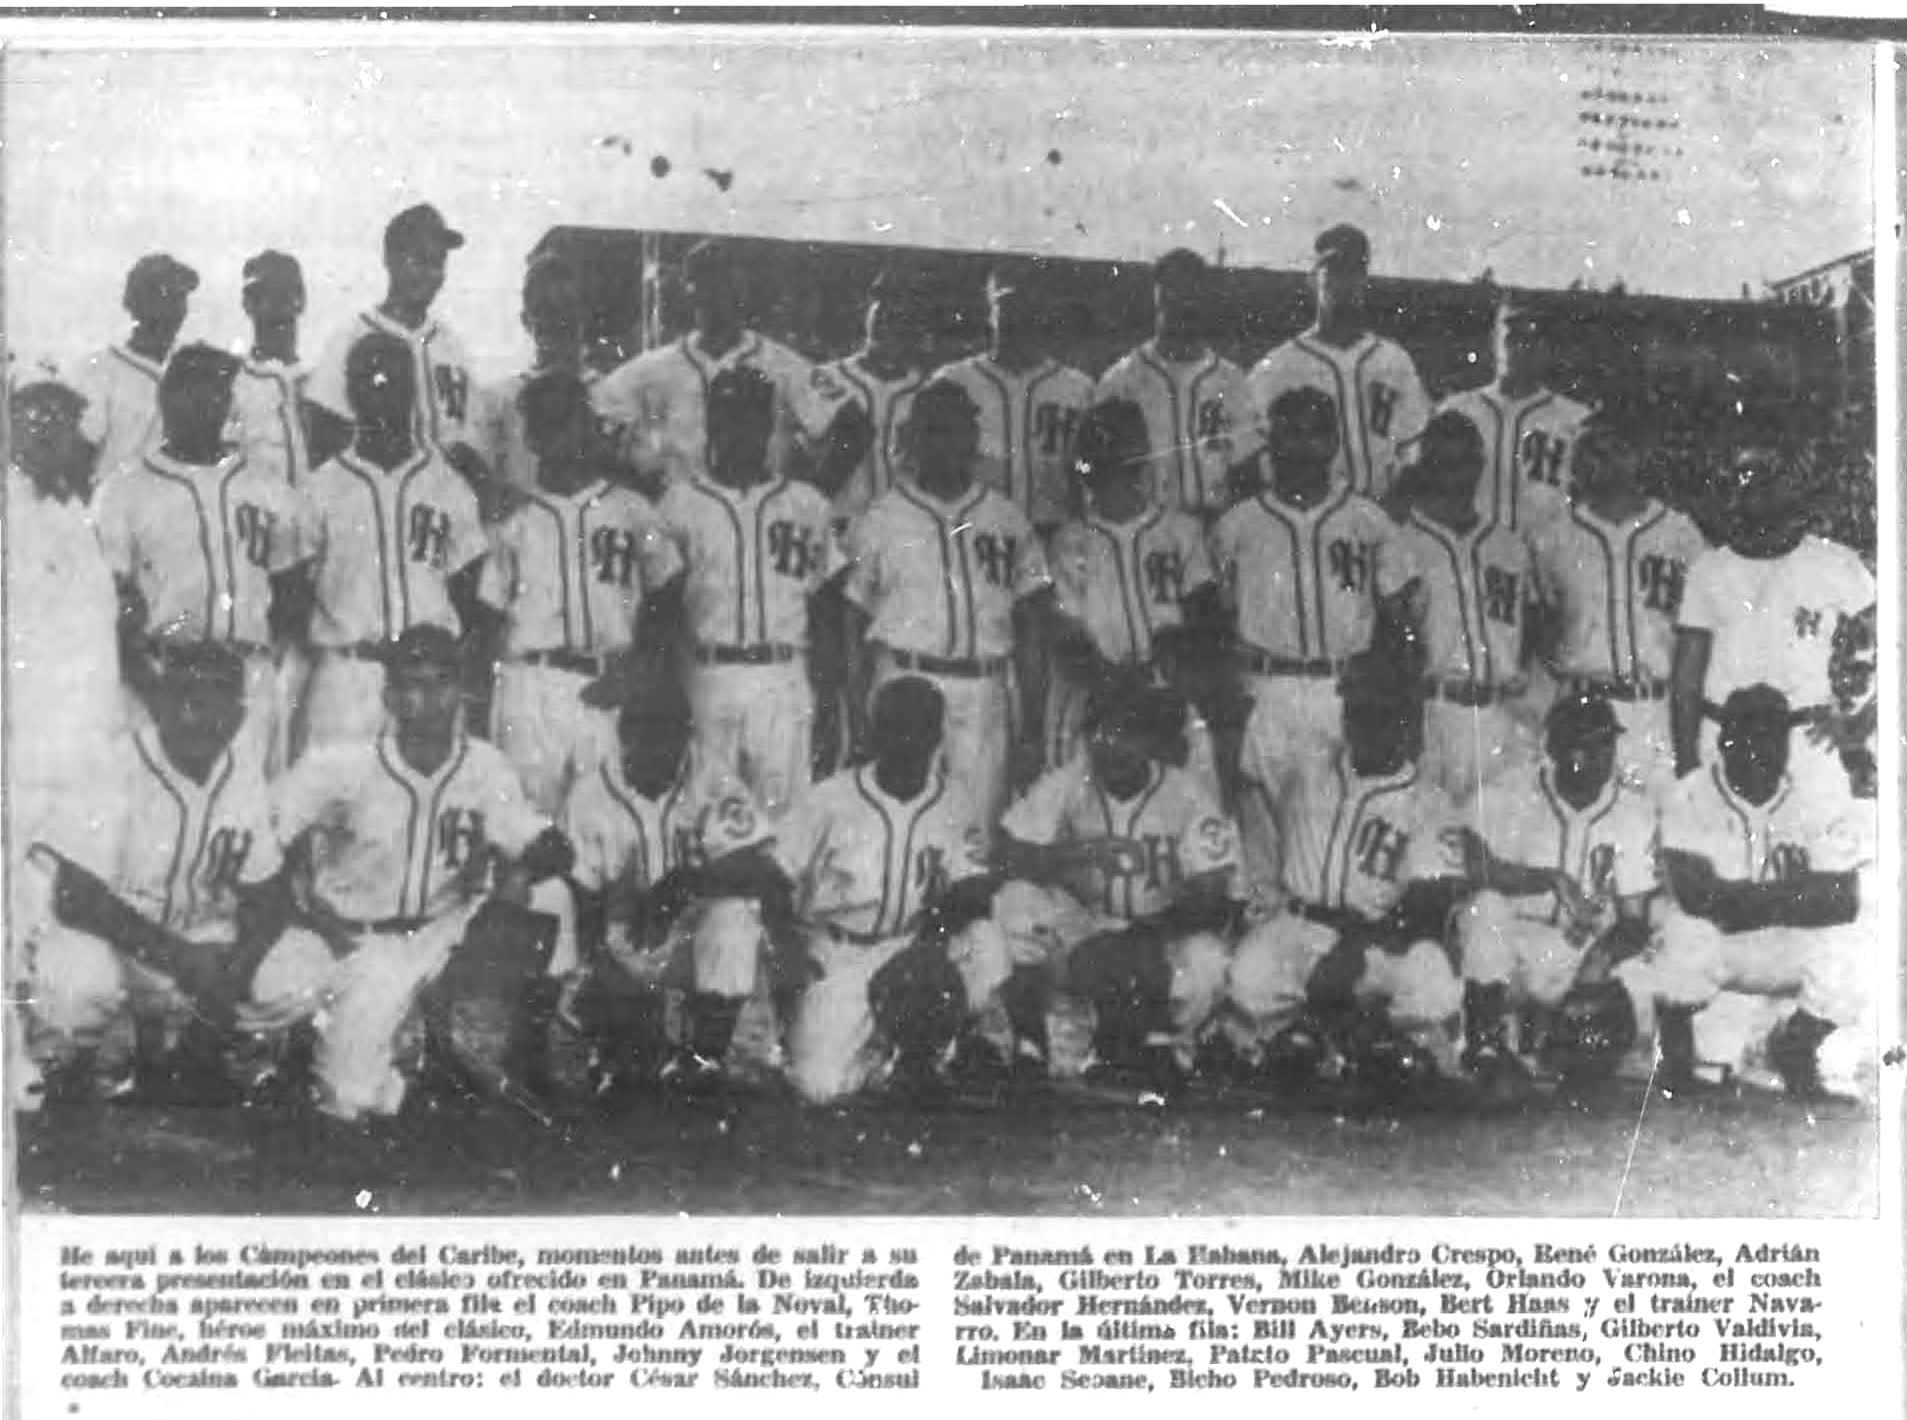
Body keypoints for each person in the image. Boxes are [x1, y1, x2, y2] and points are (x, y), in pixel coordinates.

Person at [271, 626, 577, 1122]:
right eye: (412, 685)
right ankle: (368, 1050)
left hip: (444, 929)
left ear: (461, 692)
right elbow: (269, 836)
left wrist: (519, 873)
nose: (428, 700)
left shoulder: (485, 765)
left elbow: (552, 846)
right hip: (365, 942)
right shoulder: (342, 763)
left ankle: (524, 1059)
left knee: (551, 895)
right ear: (389, 696)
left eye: (441, 684)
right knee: (351, 1102)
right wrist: (302, 904)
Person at [16, 644, 333, 1104]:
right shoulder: (114, 764)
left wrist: (233, 976)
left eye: (216, 703)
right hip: (116, 937)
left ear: (240, 715)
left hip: (199, 936)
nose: (200, 717)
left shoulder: (240, 774)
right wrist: (181, 960)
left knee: (304, 965)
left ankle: (221, 1046)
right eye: (187, 700)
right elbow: (76, 896)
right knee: (73, 982)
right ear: (161, 703)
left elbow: (268, 892)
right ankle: (91, 1056)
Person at [1590, 685, 1878, 1102]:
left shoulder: (1809, 799)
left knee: (1856, 942)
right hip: (1719, 946)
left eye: (1775, 734)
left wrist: (1742, 899)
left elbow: (1841, 897)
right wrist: (1792, 896)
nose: (1765, 746)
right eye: (1751, 733)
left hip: (1780, 941)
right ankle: (1677, 1059)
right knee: (1686, 930)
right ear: (1725, 741)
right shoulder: (1688, 794)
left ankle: (1795, 1048)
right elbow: (1697, 896)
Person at [1223, 652, 1466, 1088]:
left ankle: (1364, 1039)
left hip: (1380, 938)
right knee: (1247, 975)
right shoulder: (1308, 764)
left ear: (1405, 723)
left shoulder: (1428, 803)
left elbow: (1428, 909)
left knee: (1428, 979)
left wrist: (1356, 948)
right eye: (1355, 712)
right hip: (1301, 929)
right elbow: (1247, 760)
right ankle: (1316, 1042)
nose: (1364, 726)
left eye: (1379, 714)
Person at [843, 378, 1071, 828]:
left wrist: (1030, 723)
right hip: (905, 680)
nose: (950, 443)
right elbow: (853, 621)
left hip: (983, 689)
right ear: (916, 439)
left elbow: (1031, 625)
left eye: (960, 430)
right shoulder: (881, 517)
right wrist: (857, 714)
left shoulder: (1005, 517)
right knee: (901, 822)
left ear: (974, 437)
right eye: (936, 431)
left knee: (976, 829)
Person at [993, 681, 1240, 1094]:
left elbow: (1215, 895)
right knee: (1015, 901)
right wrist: (1077, 853)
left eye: (1130, 734)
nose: (1115, 747)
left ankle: (1163, 1043)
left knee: (1208, 964)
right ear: (1089, 738)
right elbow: (1007, 853)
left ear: (1151, 741)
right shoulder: (1072, 780)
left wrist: (1147, 936)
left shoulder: (1187, 792)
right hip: (1086, 928)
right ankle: (1030, 1041)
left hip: (1161, 932)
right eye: (1103, 734)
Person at [561, 675, 793, 1095]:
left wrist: (686, 882)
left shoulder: (710, 776)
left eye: (669, 733)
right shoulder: (590, 794)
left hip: (686, 936)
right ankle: (617, 1045)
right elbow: (578, 900)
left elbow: (762, 871)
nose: (658, 747)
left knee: (735, 919)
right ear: (624, 732)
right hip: (619, 941)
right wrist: (608, 977)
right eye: (644, 732)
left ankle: (703, 1061)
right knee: (633, 1074)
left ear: (687, 733)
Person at [771, 677, 998, 1105]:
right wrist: (789, 964)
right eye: (896, 728)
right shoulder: (830, 798)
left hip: (914, 944)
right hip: (841, 953)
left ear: (936, 737)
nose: (908, 742)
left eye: (920, 730)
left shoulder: (953, 802)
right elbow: (774, 879)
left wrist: (928, 945)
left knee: (986, 939)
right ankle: (879, 1055)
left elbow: (975, 888)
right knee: (820, 1088)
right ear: (875, 733)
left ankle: (933, 1051)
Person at [1211, 386, 1395, 905]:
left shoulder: (1366, 519)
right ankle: (1266, 946)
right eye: (1290, 431)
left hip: (1344, 687)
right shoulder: (1239, 523)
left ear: (1335, 441)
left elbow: (1397, 618)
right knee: (1263, 835)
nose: (1303, 445)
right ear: (1271, 440)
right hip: (1266, 684)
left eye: (1316, 432)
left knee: (1333, 829)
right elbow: (1218, 621)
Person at [94, 343, 313, 772]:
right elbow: (110, 608)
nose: (206, 403)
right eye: (192, 389)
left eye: (217, 390)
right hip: (165, 671)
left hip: (248, 672)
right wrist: (155, 692)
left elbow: (291, 596)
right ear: (167, 398)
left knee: (247, 810)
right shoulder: (123, 491)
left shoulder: (267, 488)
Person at [478, 370, 683, 814]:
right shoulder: (514, 521)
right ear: (530, 437)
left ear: (588, 425)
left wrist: (640, 668)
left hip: (606, 678)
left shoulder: (631, 511)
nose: (560, 436)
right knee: (529, 826)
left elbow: (668, 593)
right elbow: (489, 616)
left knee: (605, 829)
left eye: (569, 421)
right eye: (546, 425)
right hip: (529, 684)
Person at [653, 364, 842, 822]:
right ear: (711, 423)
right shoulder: (679, 503)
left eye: (752, 416)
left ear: (769, 424)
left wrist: (829, 695)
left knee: (787, 826)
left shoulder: (807, 503)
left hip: (783, 675)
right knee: (705, 821)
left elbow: (826, 610)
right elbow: (663, 612)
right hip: (706, 675)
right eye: (729, 415)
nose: (741, 429)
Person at [1447, 692, 1660, 1094]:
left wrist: (1599, 960)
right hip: (1511, 950)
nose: (1596, 756)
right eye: (1583, 743)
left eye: (1605, 743)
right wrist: (1547, 880)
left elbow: (1635, 921)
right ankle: (1488, 1045)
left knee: (1647, 984)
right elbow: (1471, 866)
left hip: (1576, 953)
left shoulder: (1634, 811)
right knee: (1485, 906)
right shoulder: (1511, 790)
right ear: (1554, 748)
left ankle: (1556, 1048)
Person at [295, 332, 490, 753]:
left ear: (415, 390)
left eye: (395, 380)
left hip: (428, 677)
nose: (382, 390)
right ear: (350, 391)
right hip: (349, 672)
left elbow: (471, 598)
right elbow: (295, 595)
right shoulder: (320, 487)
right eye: (369, 379)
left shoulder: (447, 485)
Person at [1671, 421, 1876, 794]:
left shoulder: (1839, 566)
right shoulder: (1709, 570)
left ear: (1794, 484)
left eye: (1768, 476)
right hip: (1726, 744)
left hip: (1807, 746)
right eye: (1744, 477)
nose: (1755, 489)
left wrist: (1859, 723)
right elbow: (1686, 682)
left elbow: (1892, 650)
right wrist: (1687, 767)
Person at [592, 238, 869, 496]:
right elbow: (592, 421)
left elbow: (854, 425)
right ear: (689, 288)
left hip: (757, 513)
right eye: (708, 282)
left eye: (728, 283)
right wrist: (638, 492)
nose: (719, 293)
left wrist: (811, 500)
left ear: (744, 288)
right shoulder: (654, 367)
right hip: (678, 517)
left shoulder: (780, 362)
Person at [1043, 398, 1223, 787]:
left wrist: (1168, 675)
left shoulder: (1182, 532)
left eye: (1123, 449)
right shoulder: (1071, 542)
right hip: (1095, 706)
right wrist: (1121, 691)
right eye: (1101, 451)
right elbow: (1069, 640)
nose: (1114, 463)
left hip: (1169, 698)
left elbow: (1205, 622)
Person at [1528, 415, 1709, 789]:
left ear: (1640, 455)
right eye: (1598, 450)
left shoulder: (1680, 533)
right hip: (1580, 707)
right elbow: (1539, 625)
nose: (1609, 461)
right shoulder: (1554, 535)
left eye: (1620, 449)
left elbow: (1702, 632)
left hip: (1655, 709)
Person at [1377, 409, 1537, 800]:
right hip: (1435, 711)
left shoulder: (1509, 545)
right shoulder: (1403, 543)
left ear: (1480, 465)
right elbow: (1390, 638)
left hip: (1502, 712)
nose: (1454, 474)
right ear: (1426, 467)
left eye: (1464, 462)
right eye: (1442, 463)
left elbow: (1531, 626)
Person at [303, 204, 489, 492]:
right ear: (390, 260)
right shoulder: (352, 337)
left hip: (441, 508)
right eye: (419, 261)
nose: (431, 273)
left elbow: (473, 438)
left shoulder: (451, 347)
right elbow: (323, 435)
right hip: (375, 495)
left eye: (438, 263)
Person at [1247, 225, 1429, 507]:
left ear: (1366, 280)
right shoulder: (1278, 366)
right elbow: (1255, 451)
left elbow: (1414, 445)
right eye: (1333, 269)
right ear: (1312, 279)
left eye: (1354, 270)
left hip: (1383, 508)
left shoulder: (1394, 360)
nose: (1344, 281)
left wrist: (1398, 503)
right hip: (1310, 512)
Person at [932, 259, 1094, 537]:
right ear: (990, 312)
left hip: (1055, 532)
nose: (1019, 315)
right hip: (976, 532)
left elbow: (1091, 469)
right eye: (1007, 304)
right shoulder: (954, 381)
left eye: (1030, 305)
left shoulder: (1078, 388)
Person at [1093, 248, 1256, 519]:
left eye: (1192, 289)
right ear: (1157, 295)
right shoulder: (1121, 380)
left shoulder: (1232, 380)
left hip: (1215, 521)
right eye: (1173, 288)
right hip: (1147, 530)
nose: (1182, 301)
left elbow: (1247, 465)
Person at [1435, 292, 1592, 532]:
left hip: (1542, 558)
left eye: (1531, 341)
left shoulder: (1576, 420)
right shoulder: (1455, 411)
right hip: (1471, 556)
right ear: (1493, 342)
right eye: (1511, 337)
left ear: (1547, 350)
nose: (1520, 349)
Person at [810, 264, 929, 529]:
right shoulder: (827, 378)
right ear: (867, 310)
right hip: (838, 524)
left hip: (902, 530)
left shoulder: (925, 392)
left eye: (900, 307)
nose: (887, 314)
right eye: (880, 301)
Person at [475, 254, 597, 514]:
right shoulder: (499, 400)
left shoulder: (612, 393)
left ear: (583, 313)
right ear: (526, 320)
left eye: (567, 306)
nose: (558, 320)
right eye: (546, 310)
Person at [67, 253, 198, 491]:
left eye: (178, 298)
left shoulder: (194, 368)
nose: (170, 308)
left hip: (181, 514)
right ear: (132, 303)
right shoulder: (100, 369)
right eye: (159, 296)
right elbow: (78, 462)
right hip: (119, 512)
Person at [230, 249, 313, 488]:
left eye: (287, 292)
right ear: (247, 303)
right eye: (265, 294)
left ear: (301, 299)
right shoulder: (232, 388)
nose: (278, 303)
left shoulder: (321, 384)